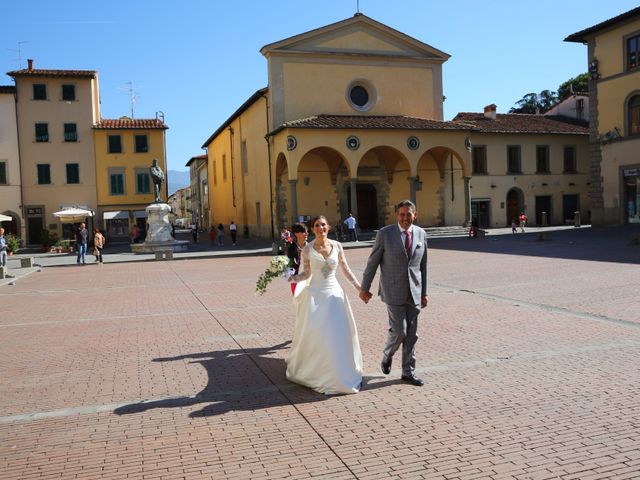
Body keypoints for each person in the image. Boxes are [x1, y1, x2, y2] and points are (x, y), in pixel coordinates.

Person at [287, 215, 363, 394]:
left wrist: (359, 287)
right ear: (312, 229)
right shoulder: (307, 249)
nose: (320, 228)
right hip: (315, 295)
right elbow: (306, 273)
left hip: (335, 294)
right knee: (318, 333)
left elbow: (345, 269)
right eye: (316, 226)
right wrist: (291, 277)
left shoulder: (337, 245)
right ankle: (317, 370)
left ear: (328, 227)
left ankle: (340, 371)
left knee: (338, 332)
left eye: (323, 225)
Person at [359, 200, 428, 387]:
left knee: (412, 335)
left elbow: (423, 266)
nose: (405, 218)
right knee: (400, 331)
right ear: (396, 215)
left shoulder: (421, 234)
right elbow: (372, 263)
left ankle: (408, 373)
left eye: (409, 214)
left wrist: (424, 292)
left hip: (414, 290)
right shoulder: (385, 234)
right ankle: (387, 354)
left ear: (415, 215)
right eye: (402, 214)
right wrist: (365, 288)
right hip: (392, 290)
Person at [285, 223, 309, 295]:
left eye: (307, 232)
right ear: (296, 233)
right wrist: (288, 275)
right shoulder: (291, 248)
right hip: (296, 279)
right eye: (303, 232)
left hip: (309, 280)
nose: (306, 234)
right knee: (298, 302)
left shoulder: (311, 247)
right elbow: (289, 263)